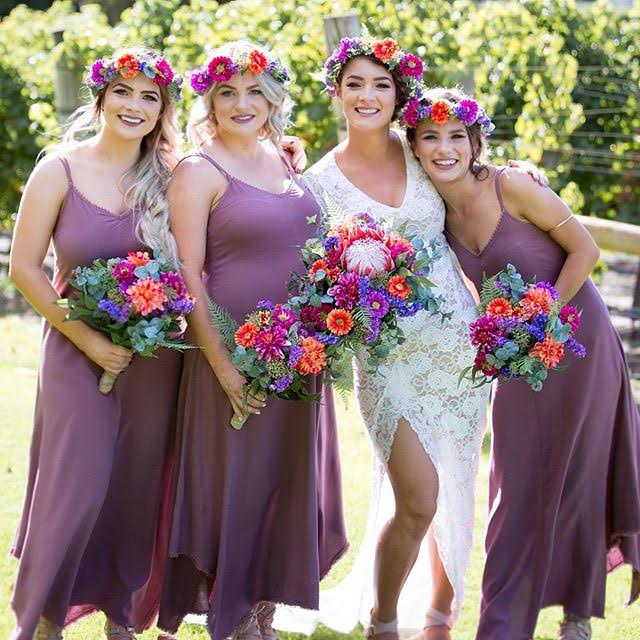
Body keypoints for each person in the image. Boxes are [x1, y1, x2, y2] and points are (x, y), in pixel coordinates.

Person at [276, 35, 491, 640]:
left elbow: (476, 180)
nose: (368, 95)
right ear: (336, 93)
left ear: (399, 94)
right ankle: (384, 619)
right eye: (355, 84)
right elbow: (311, 271)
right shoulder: (315, 183)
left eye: (381, 84)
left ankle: (441, 617)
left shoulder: (424, 148)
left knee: (456, 480)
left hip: (460, 350)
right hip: (389, 358)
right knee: (417, 499)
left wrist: (514, 172)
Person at [406, 85, 640, 640]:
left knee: (578, 475)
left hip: (578, 342)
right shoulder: (431, 213)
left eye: (455, 137)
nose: (444, 149)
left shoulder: (513, 185)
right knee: (514, 484)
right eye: (430, 138)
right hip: (515, 357)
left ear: (474, 140)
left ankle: (577, 616)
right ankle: (504, 625)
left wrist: (541, 319)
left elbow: (586, 251)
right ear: (413, 147)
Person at [156, 41, 348, 640]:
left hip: (298, 355)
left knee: (283, 481)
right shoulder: (197, 170)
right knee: (233, 481)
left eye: (255, 92)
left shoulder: (285, 159)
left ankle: (263, 611)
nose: (243, 104)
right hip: (229, 356)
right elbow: (189, 276)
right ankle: (231, 612)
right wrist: (225, 368)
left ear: (274, 99)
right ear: (209, 101)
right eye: (227, 93)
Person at [9, 49, 184, 640]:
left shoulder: (171, 177)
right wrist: (88, 340)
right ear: (101, 97)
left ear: (162, 110)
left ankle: (123, 616)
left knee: (137, 484)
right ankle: (43, 621)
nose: (135, 106)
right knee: (75, 486)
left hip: (151, 360)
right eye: (123, 93)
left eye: (149, 97)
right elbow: (26, 269)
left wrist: (285, 155)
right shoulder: (58, 169)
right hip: (73, 352)